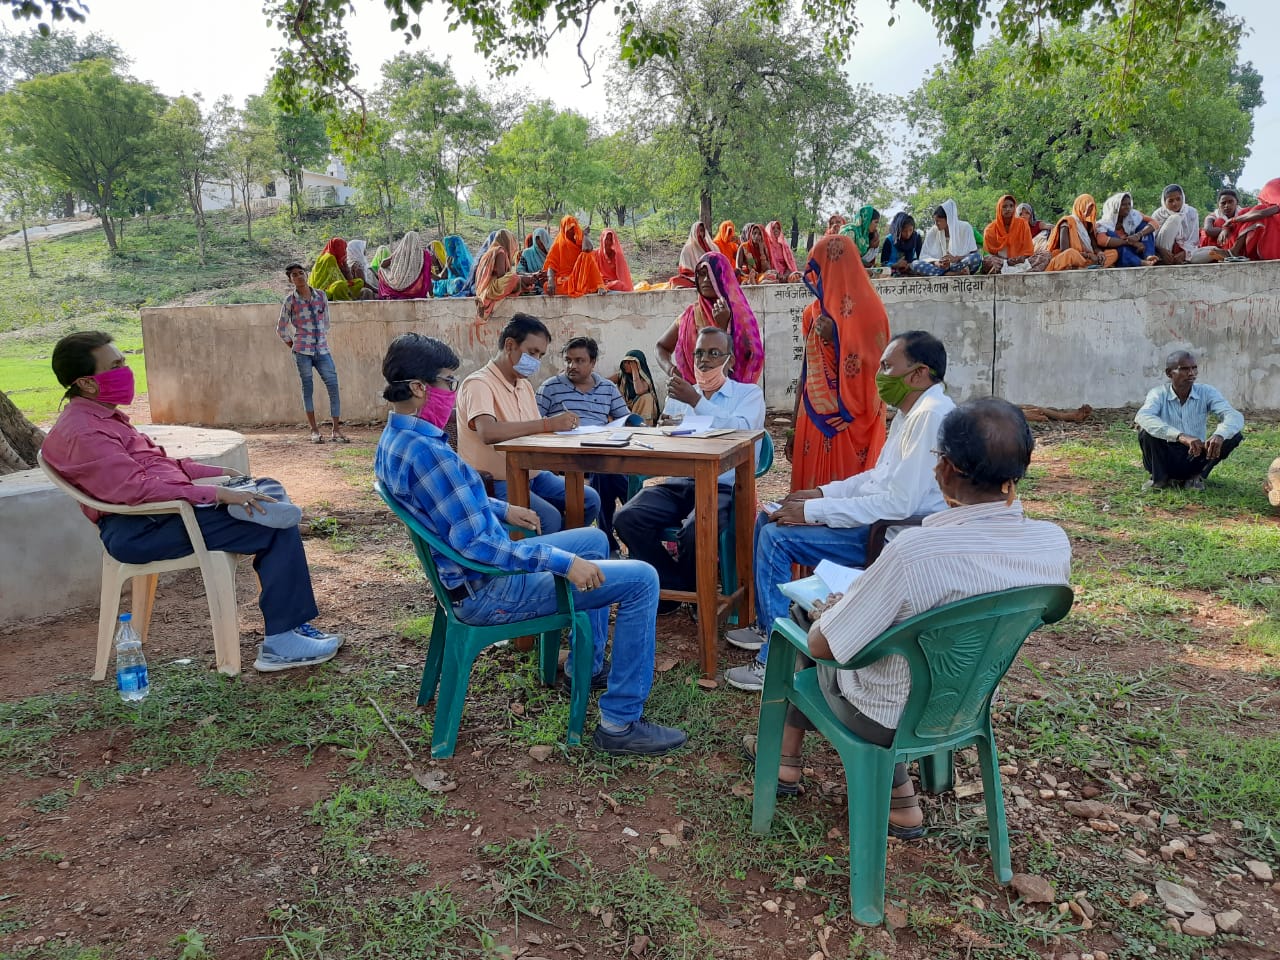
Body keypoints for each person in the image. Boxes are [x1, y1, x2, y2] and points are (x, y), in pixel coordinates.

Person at [743, 398, 1071, 834]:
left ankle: (788, 761)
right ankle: (901, 797)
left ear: (946, 469)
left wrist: (834, 607)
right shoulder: (1052, 545)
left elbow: (826, 647)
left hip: (882, 715)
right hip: (966, 702)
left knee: (806, 622)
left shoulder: (914, 553)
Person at [374, 333, 687, 756]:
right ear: (418, 388)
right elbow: (483, 548)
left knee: (594, 537)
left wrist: (502, 510)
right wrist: (561, 562)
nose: (452, 392)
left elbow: (441, 501)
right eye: (448, 382)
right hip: (489, 590)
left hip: (465, 581)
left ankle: (586, 668)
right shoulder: (431, 452)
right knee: (643, 579)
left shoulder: (397, 440)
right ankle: (619, 723)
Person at [41, 331, 344, 672]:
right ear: (87, 383)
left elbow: (160, 467)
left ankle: (289, 618)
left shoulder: (101, 417)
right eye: (115, 365)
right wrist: (214, 493)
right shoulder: (85, 432)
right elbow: (135, 489)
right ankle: (281, 642)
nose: (126, 371)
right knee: (272, 526)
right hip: (143, 528)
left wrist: (220, 474)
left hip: (162, 516)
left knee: (264, 494)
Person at [724, 331, 954, 692]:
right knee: (767, 518)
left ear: (919, 373)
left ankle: (775, 656)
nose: (879, 374)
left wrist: (814, 511)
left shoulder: (931, 416)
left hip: (893, 535)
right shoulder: (913, 412)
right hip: (880, 521)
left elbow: (897, 504)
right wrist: (820, 493)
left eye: (888, 366)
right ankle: (768, 624)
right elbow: (877, 479)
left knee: (776, 538)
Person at [613, 326, 766, 598]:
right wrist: (665, 430)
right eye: (699, 353)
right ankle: (678, 587)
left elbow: (743, 432)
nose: (704, 360)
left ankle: (692, 593)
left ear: (729, 360)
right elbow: (668, 445)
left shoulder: (747, 395)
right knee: (627, 518)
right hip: (681, 483)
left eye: (714, 353)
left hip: (724, 487)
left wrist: (696, 401)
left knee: (696, 530)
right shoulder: (679, 396)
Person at [456, 313, 601, 533]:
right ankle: (551, 557)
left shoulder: (523, 385)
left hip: (533, 473)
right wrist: (547, 424)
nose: (535, 360)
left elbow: (535, 429)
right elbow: (488, 432)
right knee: (548, 518)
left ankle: (562, 551)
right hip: (497, 481)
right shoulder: (479, 383)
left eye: (540, 355)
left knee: (588, 499)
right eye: (532, 352)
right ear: (510, 345)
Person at [786, 233, 889, 493]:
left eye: (821, 271)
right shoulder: (813, 312)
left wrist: (837, 338)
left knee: (846, 494)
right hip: (812, 415)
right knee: (809, 495)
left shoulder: (871, 312)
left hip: (850, 420)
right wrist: (792, 428)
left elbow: (877, 372)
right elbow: (806, 370)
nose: (817, 280)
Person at [537, 337, 634, 553]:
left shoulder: (607, 388)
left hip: (599, 452)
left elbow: (626, 420)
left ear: (593, 362)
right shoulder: (550, 388)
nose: (572, 366)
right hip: (562, 459)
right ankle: (613, 535)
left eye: (580, 361)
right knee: (607, 473)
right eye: (568, 360)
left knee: (611, 473)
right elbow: (533, 421)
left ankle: (624, 527)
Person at [1134, 350, 1244, 490]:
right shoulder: (1158, 393)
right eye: (1184, 369)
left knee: (1233, 434)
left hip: (1195, 455)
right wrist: (1180, 436)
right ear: (1169, 373)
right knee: (1146, 430)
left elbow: (1233, 415)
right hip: (1164, 456)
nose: (1191, 373)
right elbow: (1143, 416)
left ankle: (1195, 477)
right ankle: (1159, 479)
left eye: (1194, 368)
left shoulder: (1206, 392)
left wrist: (1220, 434)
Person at [655, 250, 764, 385]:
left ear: (724, 276)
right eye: (701, 274)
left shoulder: (740, 317)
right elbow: (661, 347)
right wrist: (672, 370)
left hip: (731, 398)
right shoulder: (689, 316)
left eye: (712, 274)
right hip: (692, 396)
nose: (706, 280)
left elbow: (752, 359)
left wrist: (724, 327)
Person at [278, 262, 348, 444]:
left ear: (306, 274)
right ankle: (314, 430)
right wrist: (293, 344)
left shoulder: (321, 296)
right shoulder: (290, 301)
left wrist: (319, 338)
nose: (299, 277)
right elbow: (281, 328)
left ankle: (336, 429)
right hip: (302, 350)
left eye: (301, 273)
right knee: (307, 389)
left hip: (322, 350)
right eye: (294, 275)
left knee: (333, 386)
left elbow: (326, 322)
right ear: (290, 279)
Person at [1152, 185, 1226, 266]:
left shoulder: (1191, 212)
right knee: (1175, 218)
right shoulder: (1158, 214)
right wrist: (1162, 251)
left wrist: (1184, 253)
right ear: (1164, 201)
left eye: (1178, 199)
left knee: (1214, 251)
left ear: (1182, 198)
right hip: (1163, 253)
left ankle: (1180, 260)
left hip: (1186, 253)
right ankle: (1167, 260)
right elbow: (1151, 239)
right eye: (1170, 201)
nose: (1175, 203)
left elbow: (1193, 240)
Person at [474, 229, 535, 322]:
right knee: (514, 278)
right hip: (491, 288)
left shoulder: (490, 251)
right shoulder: (500, 251)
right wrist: (521, 279)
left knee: (520, 280)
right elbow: (502, 276)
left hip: (485, 288)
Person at [1046, 194, 1118, 271]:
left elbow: (1095, 247)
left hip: (1087, 260)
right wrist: (1088, 255)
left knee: (1113, 253)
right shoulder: (1067, 222)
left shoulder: (1089, 225)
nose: (1089, 211)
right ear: (1079, 206)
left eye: (1091, 208)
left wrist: (1100, 253)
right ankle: (1086, 267)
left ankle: (1088, 267)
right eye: (1087, 207)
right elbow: (1065, 250)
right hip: (1075, 258)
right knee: (1070, 253)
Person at [912, 201, 982, 276]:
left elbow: (973, 252)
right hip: (939, 268)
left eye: (938, 221)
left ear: (948, 219)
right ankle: (951, 274)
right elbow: (924, 256)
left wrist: (957, 258)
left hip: (959, 265)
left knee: (976, 257)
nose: (936, 224)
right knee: (915, 264)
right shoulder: (933, 230)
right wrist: (937, 263)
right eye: (935, 221)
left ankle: (950, 273)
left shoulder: (965, 227)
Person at [1218, 178, 1280, 261]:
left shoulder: (1270, 206)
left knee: (1259, 210)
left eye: (1230, 202)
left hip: (1273, 241)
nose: (1226, 206)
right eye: (1223, 203)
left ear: (1237, 202)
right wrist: (1225, 228)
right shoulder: (1216, 217)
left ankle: (1234, 251)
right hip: (1227, 243)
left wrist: (1233, 220)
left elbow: (1260, 213)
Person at [982, 194, 1047, 273]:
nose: (1008, 209)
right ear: (999, 208)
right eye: (1004, 206)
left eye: (1011, 206)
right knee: (987, 260)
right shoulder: (990, 229)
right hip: (1002, 262)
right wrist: (1007, 261)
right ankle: (1022, 271)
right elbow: (992, 253)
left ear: (1014, 208)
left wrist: (1020, 258)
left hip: (1022, 261)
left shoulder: (1023, 224)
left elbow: (1028, 249)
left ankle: (1013, 271)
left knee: (1045, 255)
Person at [545, 215, 605, 297]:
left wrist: (585, 235)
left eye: (573, 228)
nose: (572, 231)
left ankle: (599, 285)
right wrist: (550, 281)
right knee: (546, 286)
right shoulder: (558, 244)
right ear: (563, 230)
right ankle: (582, 287)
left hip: (580, 276)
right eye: (569, 229)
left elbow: (588, 249)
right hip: (565, 279)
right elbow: (550, 266)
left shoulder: (580, 239)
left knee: (587, 255)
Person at [1096, 191, 1158, 268]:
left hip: (1136, 250)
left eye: (1129, 204)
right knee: (1111, 235)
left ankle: (1148, 256)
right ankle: (1140, 262)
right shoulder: (1104, 223)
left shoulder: (1133, 215)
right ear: (1115, 207)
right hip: (1122, 256)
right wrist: (1130, 243)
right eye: (1123, 204)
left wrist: (1138, 235)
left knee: (1144, 225)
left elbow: (1154, 223)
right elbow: (1102, 241)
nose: (1128, 207)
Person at [612, 349, 663, 426]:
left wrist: (635, 370)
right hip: (624, 410)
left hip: (640, 411)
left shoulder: (645, 379)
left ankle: (644, 425)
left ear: (638, 364)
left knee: (647, 397)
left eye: (629, 363)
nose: (625, 365)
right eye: (625, 362)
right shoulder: (621, 376)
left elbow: (639, 391)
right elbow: (604, 382)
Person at [378, 230, 434, 299]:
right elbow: (427, 275)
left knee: (381, 270)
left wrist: (394, 257)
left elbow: (382, 265)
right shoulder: (424, 254)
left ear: (405, 241)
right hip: (416, 290)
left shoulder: (399, 253)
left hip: (398, 289)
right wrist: (431, 294)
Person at [671, 221, 717, 287]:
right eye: (699, 231)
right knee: (675, 280)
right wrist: (699, 274)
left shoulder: (712, 247)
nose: (700, 233)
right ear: (694, 232)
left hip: (712, 275)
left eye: (702, 231)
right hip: (695, 277)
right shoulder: (687, 248)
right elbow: (685, 270)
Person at [841, 205, 881, 270]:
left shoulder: (864, 236)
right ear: (867, 220)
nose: (876, 225)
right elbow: (847, 257)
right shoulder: (850, 232)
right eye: (876, 222)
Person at [518, 227, 551, 293]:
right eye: (538, 245)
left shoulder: (554, 253)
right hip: (533, 288)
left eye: (543, 244)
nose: (541, 247)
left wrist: (549, 275)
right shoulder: (527, 254)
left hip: (550, 286)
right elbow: (519, 272)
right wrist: (534, 275)